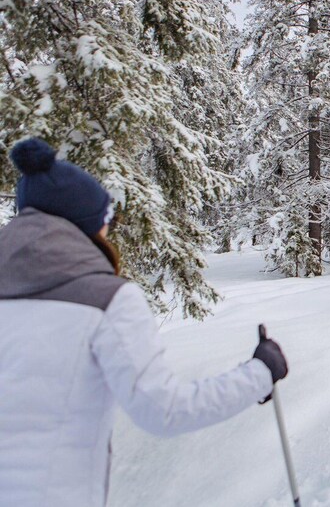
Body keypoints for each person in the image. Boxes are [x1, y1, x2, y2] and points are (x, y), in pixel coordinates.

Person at [0, 138, 289, 507]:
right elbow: (164, 410)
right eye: (106, 222)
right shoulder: (106, 300)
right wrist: (261, 372)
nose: (108, 233)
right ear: (87, 225)